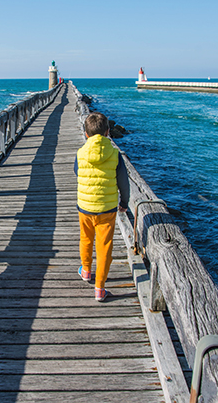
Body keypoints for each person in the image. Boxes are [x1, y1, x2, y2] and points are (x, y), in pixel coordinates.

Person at [74, 112, 129, 301]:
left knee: (86, 239)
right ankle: (100, 288)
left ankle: (86, 270)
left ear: (86, 134)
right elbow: (123, 182)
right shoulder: (114, 154)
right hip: (107, 209)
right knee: (104, 246)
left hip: (85, 207)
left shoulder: (81, 153)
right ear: (107, 132)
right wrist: (124, 203)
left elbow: (77, 172)